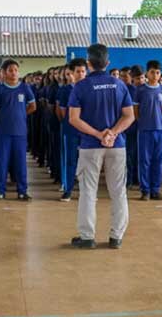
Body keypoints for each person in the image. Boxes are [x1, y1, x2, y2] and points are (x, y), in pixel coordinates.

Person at [68, 43, 134, 249]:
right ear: (107, 63)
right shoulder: (119, 85)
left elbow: (73, 119)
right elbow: (129, 116)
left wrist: (98, 134)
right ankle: (116, 237)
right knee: (118, 191)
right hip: (117, 145)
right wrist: (112, 133)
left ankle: (87, 237)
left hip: (90, 145)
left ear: (88, 64)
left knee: (88, 191)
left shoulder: (81, 87)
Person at [0, 59, 36, 201]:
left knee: (21, 162)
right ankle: (0, 191)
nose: (14, 73)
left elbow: (32, 106)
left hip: (20, 132)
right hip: (3, 133)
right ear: (4, 73)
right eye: (10, 70)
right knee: (1, 162)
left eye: (16, 70)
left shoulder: (24, 88)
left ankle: (22, 191)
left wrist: (21, 115)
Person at [134, 60, 162, 201]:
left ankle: (155, 189)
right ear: (147, 73)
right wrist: (141, 122)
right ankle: (145, 190)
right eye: (152, 72)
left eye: (158, 72)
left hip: (160, 130)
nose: (155, 75)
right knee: (144, 160)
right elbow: (135, 110)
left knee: (158, 160)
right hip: (145, 130)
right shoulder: (140, 90)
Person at [57, 58, 86, 202]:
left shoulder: (90, 89)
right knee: (70, 160)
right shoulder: (65, 91)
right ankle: (68, 189)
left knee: (87, 161)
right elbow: (63, 112)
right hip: (70, 130)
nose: (81, 74)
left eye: (83, 71)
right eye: (78, 71)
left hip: (87, 131)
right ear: (72, 73)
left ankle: (86, 191)